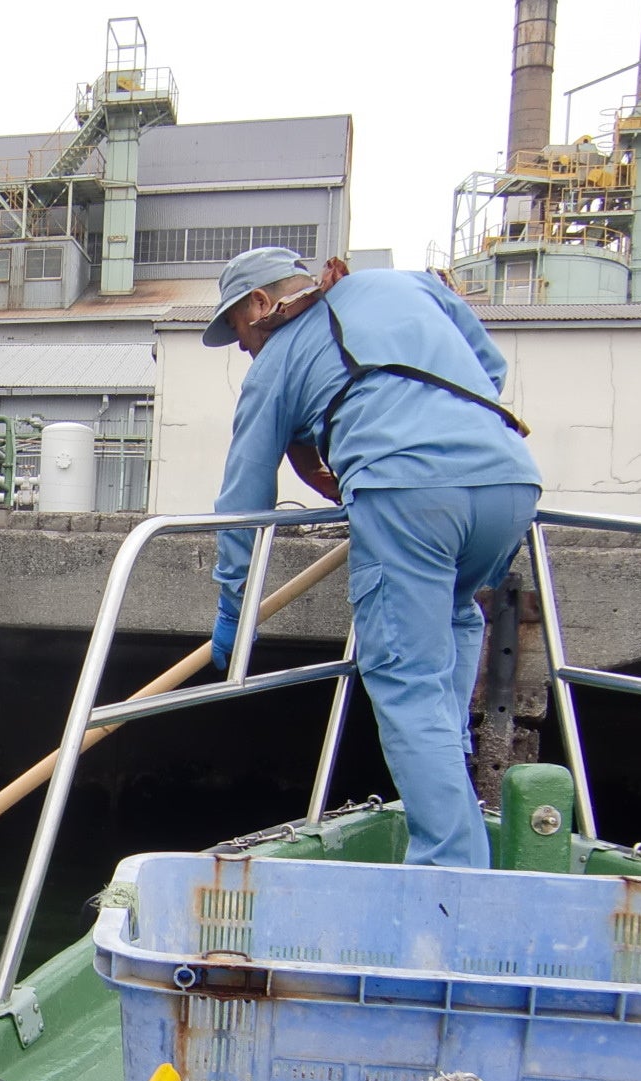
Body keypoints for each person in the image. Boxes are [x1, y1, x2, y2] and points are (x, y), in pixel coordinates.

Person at [203, 247, 541, 867]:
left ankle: (449, 877)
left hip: (405, 493)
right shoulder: (407, 285)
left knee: (406, 681)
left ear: (259, 303)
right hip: (510, 482)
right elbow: (488, 369)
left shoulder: (276, 361)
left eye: (238, 332)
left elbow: (244, 495)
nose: (244, 348)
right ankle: (454, 797)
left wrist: (234, 605)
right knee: (455, 613)